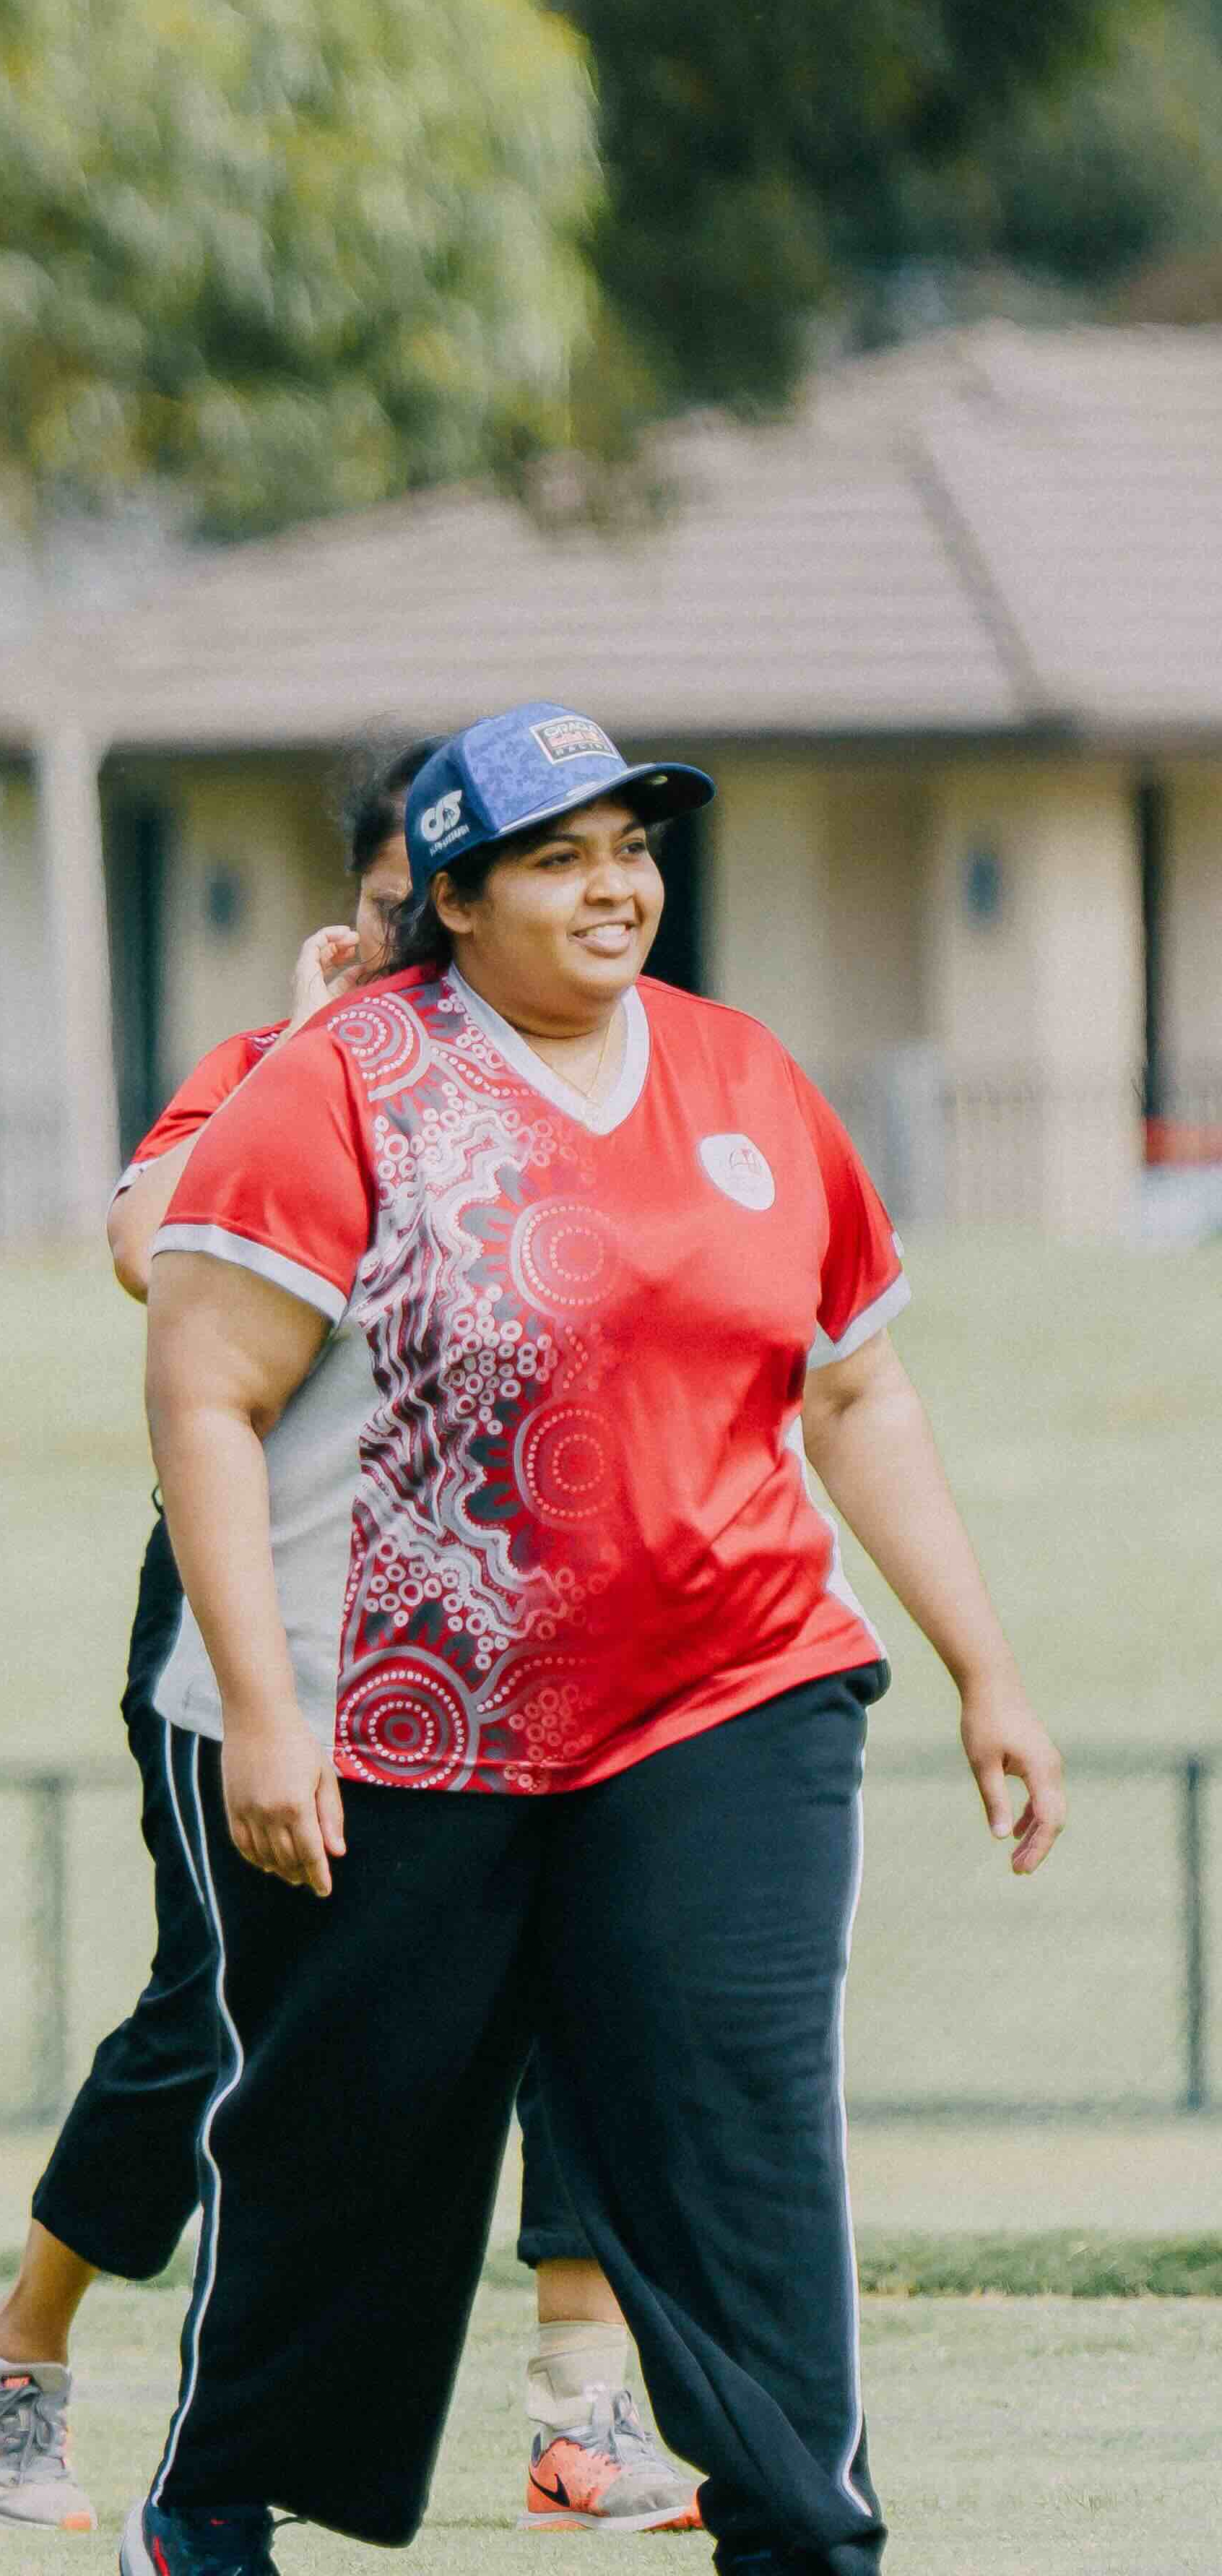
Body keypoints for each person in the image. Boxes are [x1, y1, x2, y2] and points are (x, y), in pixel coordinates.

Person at [116, 704, 1069, 2576]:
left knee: (737, 2131)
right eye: (558, 857)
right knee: (358, 2139)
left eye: (633, 848)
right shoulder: (341, 1081)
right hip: (402, 1711)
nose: (615, 886)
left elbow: (854, 1391)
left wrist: (988, 1668)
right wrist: (260, 1707)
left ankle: (801, 2535)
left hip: (730, 1682)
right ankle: (218, 2502)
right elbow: (200, 1387)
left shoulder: (745, 1079)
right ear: (453, 897)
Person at [0, 742, 702, 2541]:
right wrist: (301, 1060)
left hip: (518, 1650)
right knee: (225, 2031)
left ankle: (580, 2407)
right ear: (396, 904)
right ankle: (20, 2343)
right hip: (261, 1628)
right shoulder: (280, 1074)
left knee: (576, 1998)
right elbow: (147, 1255)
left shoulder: (582, 1073)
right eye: (389, 908)